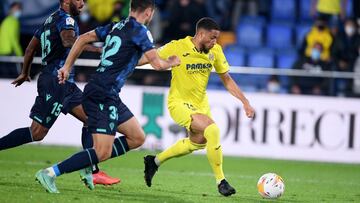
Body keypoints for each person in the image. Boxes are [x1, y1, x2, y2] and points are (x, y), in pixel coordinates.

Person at [35, 0, 180, 193]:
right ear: (149, 12)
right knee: (102, 152)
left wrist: (67, 66)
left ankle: (88, 159)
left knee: (137, 137)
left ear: (131, 9)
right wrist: (171, 61)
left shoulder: (117, 26)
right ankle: (51, 172)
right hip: (102, 94)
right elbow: (158, 65)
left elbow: (84, 39)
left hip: (106, 92)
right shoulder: (141, 31)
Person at [0, 0, 120, 186]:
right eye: (79, 0)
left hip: (65, 84)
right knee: (37, 133)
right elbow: (68, 41)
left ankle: (92, 171)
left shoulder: (50, 20)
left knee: (92, 118)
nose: (82, 4)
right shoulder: (67, 20)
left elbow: (31, 47)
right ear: (66, 1)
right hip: (56, 82)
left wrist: (25, 72)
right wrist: (96, 49)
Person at [142, 17, 255, 197]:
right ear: (200, 34)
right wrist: (124, 63)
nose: (215, 42)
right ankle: (221, 181)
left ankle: (154, 161)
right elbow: (148, 58)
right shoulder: (177, 46)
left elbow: (226, 79)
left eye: (216, 38)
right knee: (213, 130)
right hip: (178, 103)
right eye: (212, 38)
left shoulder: (215, 51)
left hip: (201, 104)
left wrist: (245, 102)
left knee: (196, 144)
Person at [0, 2, 23, 78]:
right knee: (15, 77)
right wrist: (19, 53)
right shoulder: (13, 21)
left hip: (2, 52)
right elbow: (13, 39)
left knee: (4, 77)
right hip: (10, 52)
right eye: (16, 9)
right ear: (11, 9)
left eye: (19, 9)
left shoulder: (6, 20)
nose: (18, 11)